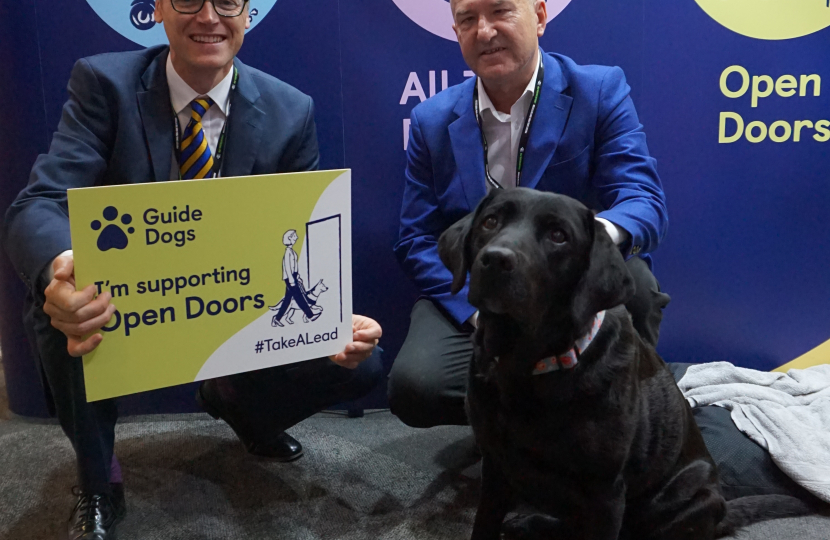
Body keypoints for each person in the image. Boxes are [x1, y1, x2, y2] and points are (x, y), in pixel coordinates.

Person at [3, 1, 383, 538]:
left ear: (247, 14)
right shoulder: (104, 85)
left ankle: (237, 403)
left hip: (236, 306)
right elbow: (37, 204)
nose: (208, 16)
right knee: (59, 308)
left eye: (226, 1)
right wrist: (61, 268)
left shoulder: (290, 109)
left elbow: (297, 235)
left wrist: (327, 319)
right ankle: (98, 479)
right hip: (131, 306)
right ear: (158, 8)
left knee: (361, 364)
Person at [389, 0, 669, 428]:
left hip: (570, 289)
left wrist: (586, 243)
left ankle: (618, 421)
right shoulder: (431, 121)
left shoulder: (599, 91)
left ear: (539, 17)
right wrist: (477, 309)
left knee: (637, 287)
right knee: (415, 388)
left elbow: (643, 200)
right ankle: (516, 427)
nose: (484, 31)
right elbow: (416, 240)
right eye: (468, 19)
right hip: (482, 291)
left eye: (501, 11)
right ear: (456, 31)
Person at [272, 229, 319, 326]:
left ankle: (277, 319)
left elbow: (295, 266)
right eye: (294, 236)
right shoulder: (288, 252)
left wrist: (297, 276)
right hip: (290, 278)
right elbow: (287, 267)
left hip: (293, 276)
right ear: (289, 238)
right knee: (299, 297)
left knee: (287, 300)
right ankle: (310, 315)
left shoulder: (291, 251)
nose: (296, 237)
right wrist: (291, 279)